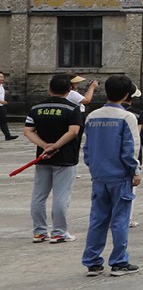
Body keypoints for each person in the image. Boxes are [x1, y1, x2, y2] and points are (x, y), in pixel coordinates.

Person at [80, 75, 142, 277]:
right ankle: (119, 261)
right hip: (120, 175)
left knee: (98, 219)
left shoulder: (92, 116)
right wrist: (135, 171)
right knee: (120, 219)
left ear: (106, 91)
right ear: (127, 95)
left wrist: (94, 167)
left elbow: (87, 148)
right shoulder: (127, 117)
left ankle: (92, 261)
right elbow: (130, 149)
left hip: (99, 175)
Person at [25, 74, 85, 243]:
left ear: (50, 89)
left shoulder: (36, 108)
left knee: (39, 196)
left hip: (42, 158)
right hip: (66, 158)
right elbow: (73, 132)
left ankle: (39, 232)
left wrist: (45, 146)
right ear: (69, 90)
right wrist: (55, 146)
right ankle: (59, 232)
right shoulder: (72, 109)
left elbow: (28, 131)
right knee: (61, 196)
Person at [0, 69, 14, 141]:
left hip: (1, 106)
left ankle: (7, 136)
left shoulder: (1, 86)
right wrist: (1, 101)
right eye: (0, 77)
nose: (2, 78)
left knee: (3, 121)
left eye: (2, 77)